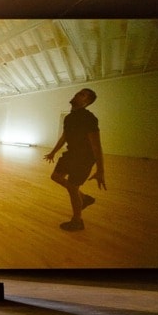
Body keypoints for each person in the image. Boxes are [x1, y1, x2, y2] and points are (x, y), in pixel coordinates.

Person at [44, 87, 106, 231]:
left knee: (72, 188)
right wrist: (53, 152)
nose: (77, 95)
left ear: (87, 102)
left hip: (84, 158)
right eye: (78, 93)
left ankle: (77, 221)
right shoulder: (69, 117)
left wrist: (101, 169)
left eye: (82, 95)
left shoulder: (89, 118)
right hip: (70, 154)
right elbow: (65, 136)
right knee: (55, 176)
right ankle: (83, 198)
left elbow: (96, 145)